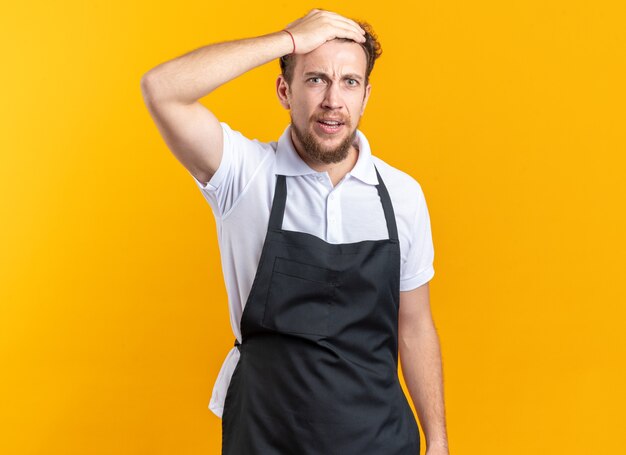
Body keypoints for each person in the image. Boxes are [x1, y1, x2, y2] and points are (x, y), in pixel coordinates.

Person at [141, 8, 449, 455]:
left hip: (378, 441)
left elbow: (415, 326)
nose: (332, 100)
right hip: (265, 438)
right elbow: (161, 89)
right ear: (284, 90)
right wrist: (288, 40)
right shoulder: (244, 176)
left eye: (349, 82)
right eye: (315, 79)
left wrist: (438, 441)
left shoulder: (402, 195)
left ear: (365, 96)